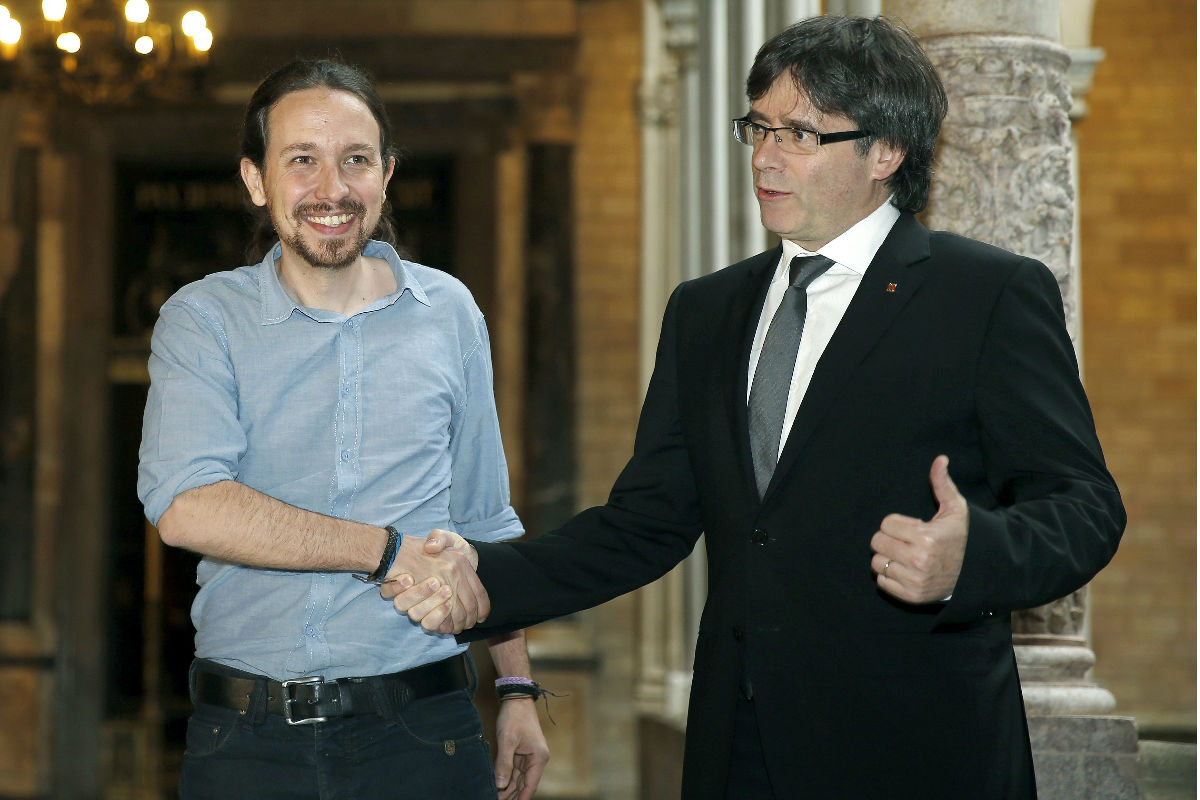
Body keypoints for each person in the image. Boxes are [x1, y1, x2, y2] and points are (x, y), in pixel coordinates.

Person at [388, 15, 1125, 800]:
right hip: (736, 750)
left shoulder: (986, 296)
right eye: (759, 128)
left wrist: (971, 556)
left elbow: (1085, 509)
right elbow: (644, 525)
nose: (766, 158)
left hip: (916, 751)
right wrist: (485, 576)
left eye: (802, 136)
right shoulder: (707, 312)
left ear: (885, 152)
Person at [137, 58, 548, 799]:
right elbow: (186, 505)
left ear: (385, 176)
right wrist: (386, 552)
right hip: (247, 740)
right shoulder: (203, 320)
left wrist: (517, 688)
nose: (332, 189)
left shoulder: (450, 311)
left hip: (426, 731)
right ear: (256, 181)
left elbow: (484, 519)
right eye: (303, 161)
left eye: (355, 160)